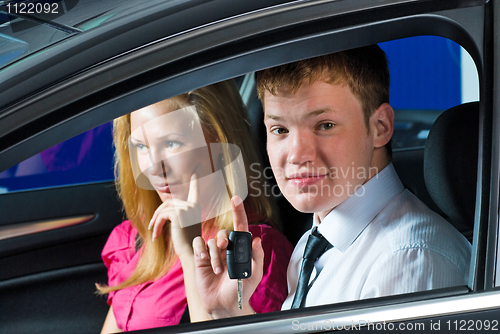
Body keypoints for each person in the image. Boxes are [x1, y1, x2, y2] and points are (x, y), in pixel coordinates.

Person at [192, 45, 471, 316]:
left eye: (325, 125)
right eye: (280, 129)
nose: (297, 155)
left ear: (380, 127)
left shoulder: (405, 261)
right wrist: (229, 311)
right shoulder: (313, 243)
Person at [97, 80, 293, 333]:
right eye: (142, 147)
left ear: (220, 145)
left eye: (171, 144)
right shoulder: (136, 237)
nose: (153, 168)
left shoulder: (253, 253)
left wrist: (190, 257)